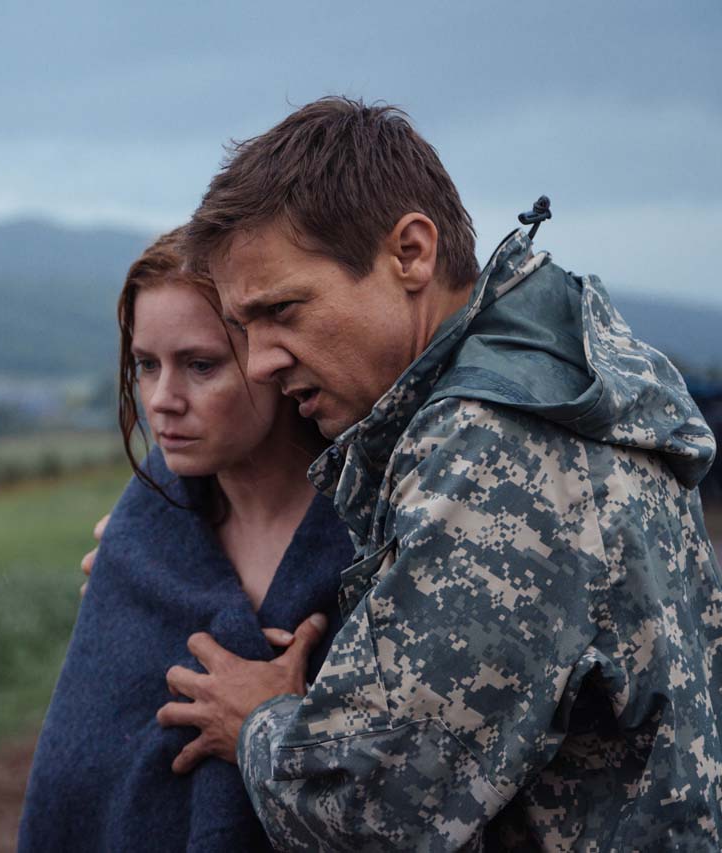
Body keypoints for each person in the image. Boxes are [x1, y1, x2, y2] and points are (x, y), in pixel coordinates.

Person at [152, 96, 722, 850]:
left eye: (283, 310)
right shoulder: (547, 381)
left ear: (411, 254)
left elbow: (374, 810)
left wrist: (257, 721)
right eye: (244, 328)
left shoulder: (493, 451)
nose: (260, 361)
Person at [18, 229, 354, 851]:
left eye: (201, 365)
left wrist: (290, 726)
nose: (162, 401)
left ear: (271, 358)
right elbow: (80, 784)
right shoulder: (140, 545)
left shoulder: (377, 542)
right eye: (147, 365)